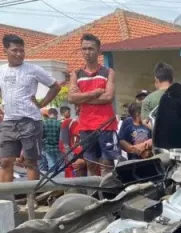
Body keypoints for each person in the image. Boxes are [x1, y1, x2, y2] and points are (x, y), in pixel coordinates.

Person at [0, 34, 61, 182]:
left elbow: (55, 86)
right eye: (15, 50)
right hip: (8, 122)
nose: (19, 54)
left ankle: (31, 202)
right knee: (5, 162)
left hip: (30, 122)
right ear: (5, 50)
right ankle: (6, 201)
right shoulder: (1, 70)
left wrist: (42, 104)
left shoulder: (33, 69)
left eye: (22, 50)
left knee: (30, 163)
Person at [68, 33, 118, 176]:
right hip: (85, 125)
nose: (87, 52)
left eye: (91, 49)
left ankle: (108, 196)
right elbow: (71, 98)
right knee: (90, 163)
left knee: (107, 163)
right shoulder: (76, 74)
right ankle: (94, 197)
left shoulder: (108, 72)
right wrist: (94, 93)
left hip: (106, 124)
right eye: (84, 49)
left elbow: (108, 97)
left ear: (98, 51)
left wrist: (81, 98)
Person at [59, 106, 86, 177]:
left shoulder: (97, 124)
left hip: (90, 165)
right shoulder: (67, 123)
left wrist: (85, 161)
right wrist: (74, 161)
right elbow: (64, 145)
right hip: (73, 164)